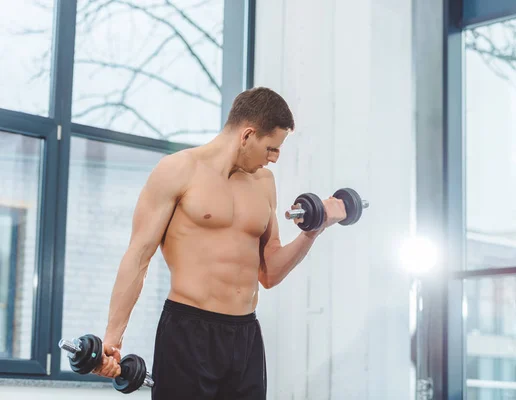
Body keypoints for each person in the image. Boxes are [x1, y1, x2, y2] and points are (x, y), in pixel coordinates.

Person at [92, 87, 347, 399]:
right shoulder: (178, 170)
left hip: (246, 336)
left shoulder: (264, 183)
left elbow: (270, 274)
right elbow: (138, 256)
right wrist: (112, 339)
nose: (275, 159)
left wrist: (313, 231)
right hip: (188, 330)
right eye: (271, 149)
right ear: (247, 135)